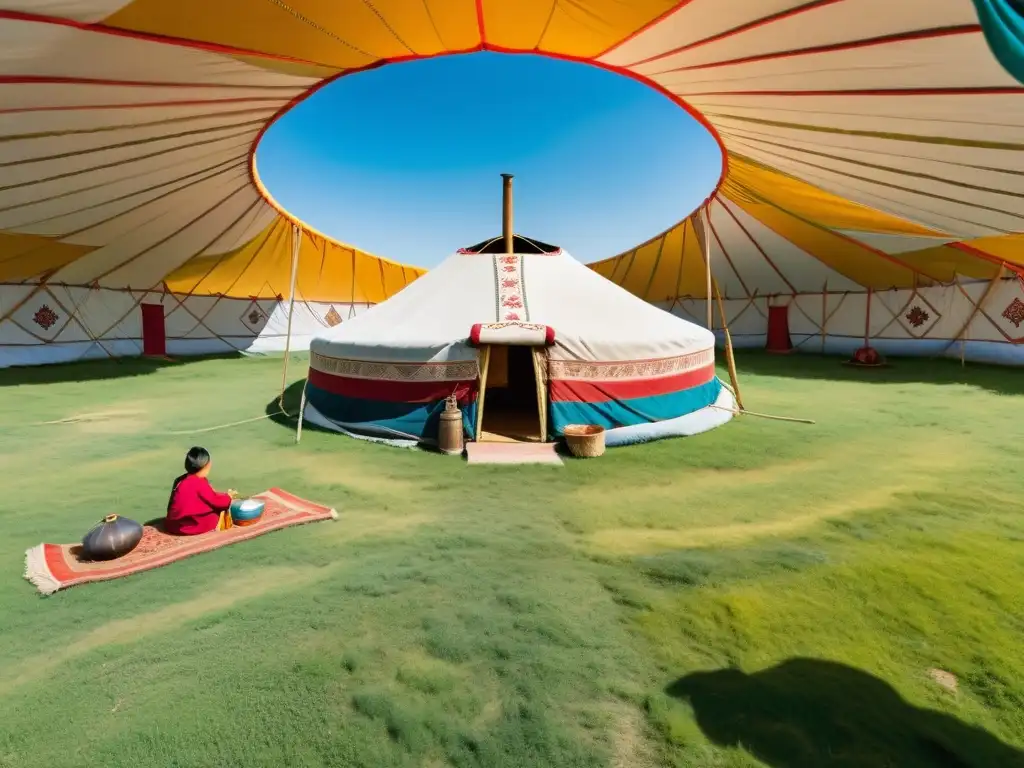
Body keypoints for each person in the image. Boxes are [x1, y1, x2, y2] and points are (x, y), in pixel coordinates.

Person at [165, 446, 238, 535]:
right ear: (206, 466)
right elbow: (217, 502)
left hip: (173, 525)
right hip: (190, 527)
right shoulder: (199, 483)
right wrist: (228, 497)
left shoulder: (179, 480)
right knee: (216, 515)